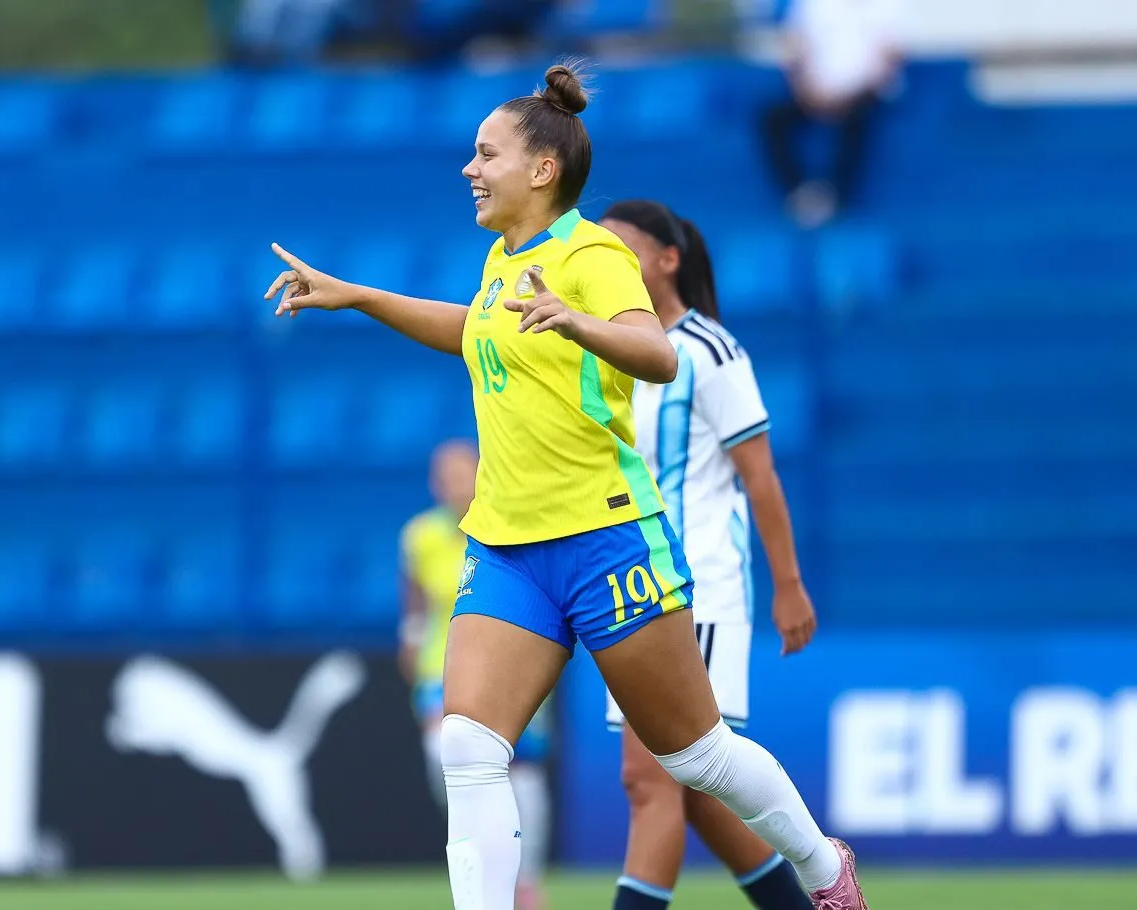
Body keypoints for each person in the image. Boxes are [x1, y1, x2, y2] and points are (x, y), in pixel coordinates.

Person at [263, 61, 868, 910]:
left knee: (696, 757)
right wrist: (359, 295)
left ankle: (819, 867)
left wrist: (578, 320)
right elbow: (472, 330)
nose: (469, 169)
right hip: (508, 545)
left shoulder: (591, 254)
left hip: (606, 536)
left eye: (486, 154)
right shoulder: (500, 261)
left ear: (542, 169)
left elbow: (657, 353)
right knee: (469, 746)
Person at [595, 200, 821, 910]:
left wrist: (788, 584)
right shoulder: (609, 347)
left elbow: (760, 476)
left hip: (695, 586)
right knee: (695, 792)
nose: (605, 262)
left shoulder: (708, 352)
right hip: (633, 585)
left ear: (668, 260)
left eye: (620, 248)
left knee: (650, 780)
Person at [400, 439, 551, 910]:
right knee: (445, 759)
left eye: (460, 474)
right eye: (443, 477)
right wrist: (409, 638)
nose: (452, 486)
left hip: (507, 665)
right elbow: (416, 603)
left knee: (523, 775)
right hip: (440, 670)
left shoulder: (508, 524)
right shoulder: (420, 536)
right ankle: (480, 861)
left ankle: (525, 880)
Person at [759, 0, 901, 229]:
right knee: (771, 119)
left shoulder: (888, 6)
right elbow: (796, 49)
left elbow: (888, 61)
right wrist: (808, 93)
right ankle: (800, 193)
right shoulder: (815, 5)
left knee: (858, 123)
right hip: (814, 94)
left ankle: (836, 197)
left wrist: (846, 98)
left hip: (865, 95)